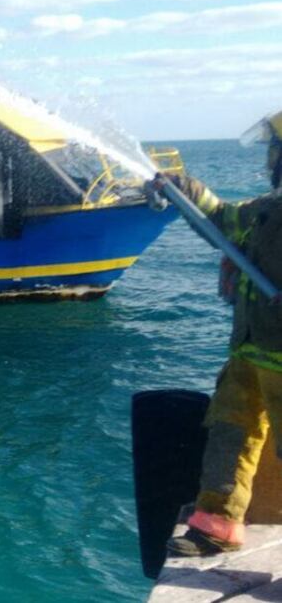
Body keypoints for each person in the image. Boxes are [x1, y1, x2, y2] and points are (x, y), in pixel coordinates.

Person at [163, 111, 282, 556]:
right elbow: (221, 219)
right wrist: (184, 189)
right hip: (250, 354)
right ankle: (218, 522)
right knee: (230, 431)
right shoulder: (266, 211)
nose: (270, 159)